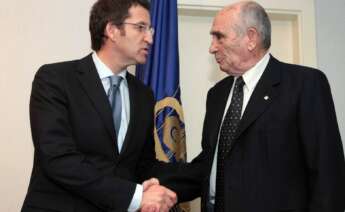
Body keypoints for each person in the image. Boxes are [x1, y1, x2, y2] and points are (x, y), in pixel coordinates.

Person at [159, 1, 345, 212]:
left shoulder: (304, 85)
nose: (212, 47)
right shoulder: (217, 95)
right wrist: (147, 186)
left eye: (219, 36)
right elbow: (210, 164)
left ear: (251, 38)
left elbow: (328, 175)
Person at [21, 0, 177, 211]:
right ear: (112, 30)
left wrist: (208, 171)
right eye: (141, 28)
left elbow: (143, 164)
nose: (150, 38)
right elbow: (58, 159)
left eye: (150, 29)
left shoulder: (143, 95)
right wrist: (135, 196)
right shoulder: (55, 79)